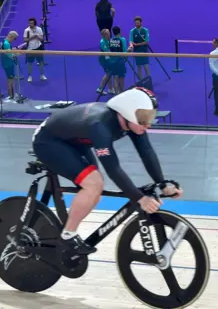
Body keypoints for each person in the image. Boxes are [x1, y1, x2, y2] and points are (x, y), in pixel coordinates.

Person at [31, 87, 182, 255]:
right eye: (144, 118)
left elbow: (146, 152)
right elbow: (113, 169)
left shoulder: (132, 122)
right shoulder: (100, 126)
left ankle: (68, 225)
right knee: (94, 184)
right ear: (128, 113)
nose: (147, 124)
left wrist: (161, 183)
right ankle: (68, 235)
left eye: (150, 117)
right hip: (48, 142)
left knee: (94, 190)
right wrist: (140, 199)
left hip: (74, 141)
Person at [23, 17, 46, 83]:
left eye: (32, 23)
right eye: (29, 23)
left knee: (41, 62)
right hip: (30, 49)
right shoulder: (26, 30)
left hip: (38, 48)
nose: (30, 24)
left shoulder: (39, 29)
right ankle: (30, 76)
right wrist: (32, 38)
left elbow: (42, 39)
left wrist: (37, 36)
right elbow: (25, 40)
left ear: (34, 23)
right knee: (30, 63)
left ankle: (42, 75)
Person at [109, 26, 128, 94]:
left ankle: (116, 94)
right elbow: (124, 51)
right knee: (121, 77)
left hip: (112, 61)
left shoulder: (111, 40)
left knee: (115, 78)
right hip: (120, 61)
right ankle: (121, 92)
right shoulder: (122, 39)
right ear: (120, 31)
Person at [0, 31, 19, 101]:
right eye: (15, 39)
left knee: (11, 78)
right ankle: (11, 95)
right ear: (11, 37)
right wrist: (16, 54)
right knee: (10, 79)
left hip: (6, 62)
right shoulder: (6, 44)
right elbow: (10, 55)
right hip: (8, 63)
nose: (14, 40)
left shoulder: (3, 41)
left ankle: (12, 94)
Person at [98, 28, 114, 95]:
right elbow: (107, 52)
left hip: (108, 59)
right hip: (104, 60)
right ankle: (100, 88)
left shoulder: (108, 40)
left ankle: (110, 89)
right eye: (108, 33)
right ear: (105, 34)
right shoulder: (102, 42)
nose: (110, 33)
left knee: (109, 73)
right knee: (108, 74)